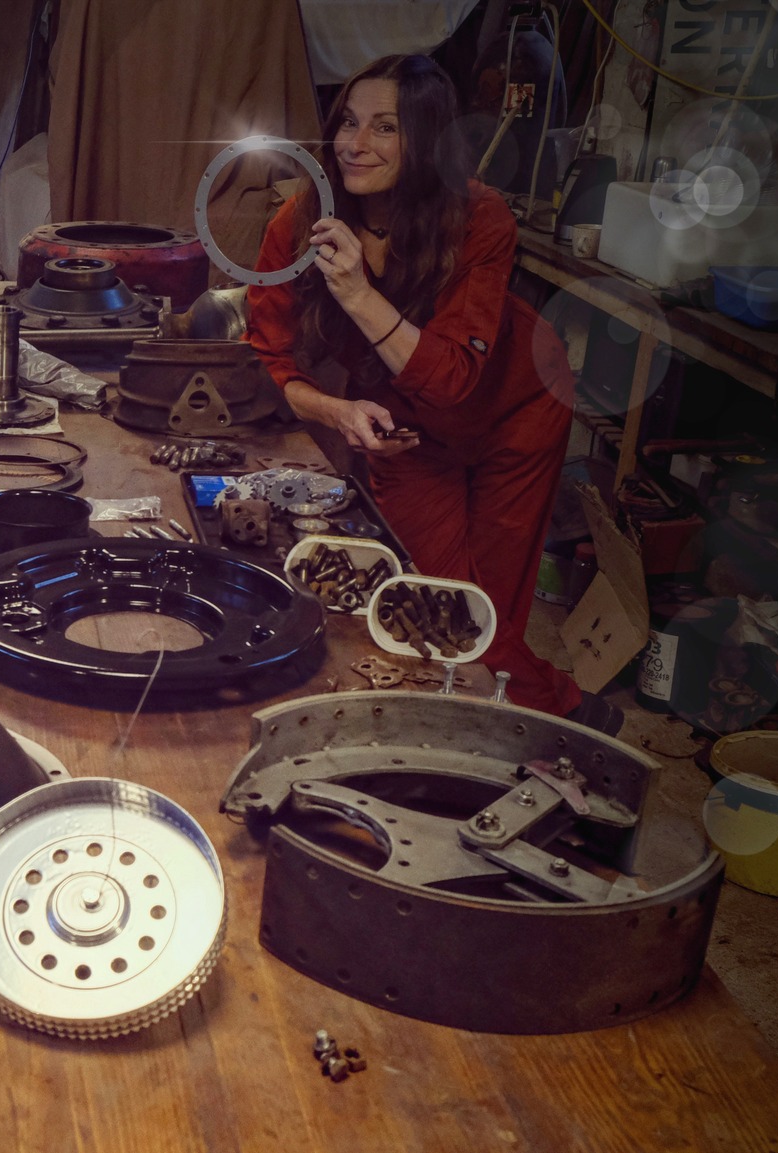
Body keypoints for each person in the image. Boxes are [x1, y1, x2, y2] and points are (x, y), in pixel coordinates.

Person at [246, 53, 622, 733]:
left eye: (385, 127)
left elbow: (452, 379)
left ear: (426, 140)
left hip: (517, 409)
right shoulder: (301, 224)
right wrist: (338, 411)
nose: (356, 144)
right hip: (408, 431)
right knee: (454, 609)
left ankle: (529, 731)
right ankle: (570, 714)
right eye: (349, 122)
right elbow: (263, 363)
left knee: (491, 611)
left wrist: (357, 293)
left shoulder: (480, 217)